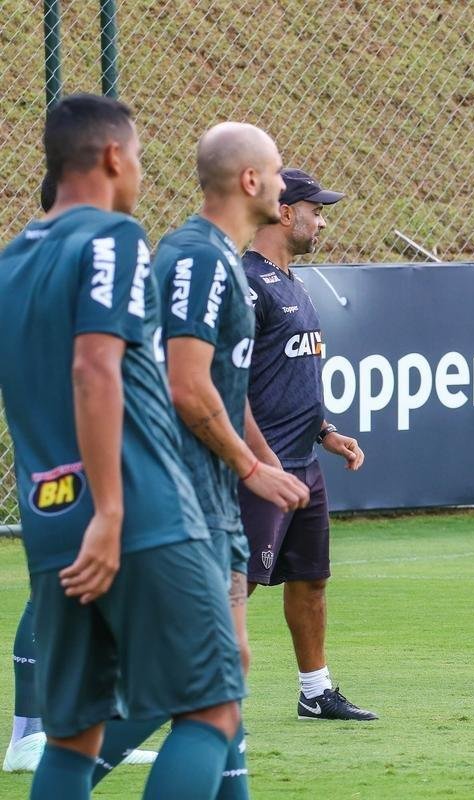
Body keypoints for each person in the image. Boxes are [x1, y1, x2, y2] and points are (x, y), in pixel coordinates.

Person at [0, 93, 244, 799]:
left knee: (73, 736)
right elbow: (93, 366)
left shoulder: (13, 258)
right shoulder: (114, 238)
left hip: (51, 521)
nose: (138, 172)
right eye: (137, 158)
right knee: (211, 707)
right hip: (135, 513)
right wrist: (111, 509)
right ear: (113, 157)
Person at [151, 122, 312, 794]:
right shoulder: (194, 258)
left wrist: (262, 460)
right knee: (207, 689)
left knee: (230, 668)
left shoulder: (225, 261)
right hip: (182, 497)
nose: (283, 185)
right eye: (276, 172)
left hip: (216, 497)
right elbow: (186, 385)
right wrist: (251, 468)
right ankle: (66, 761)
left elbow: (226, 384)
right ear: (251, 182)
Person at [4, 174, 158, 778]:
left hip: (53, 462)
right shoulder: (96, 254)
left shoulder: (22, 261)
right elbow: (97, 370)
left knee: (71, 591)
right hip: (85, 460)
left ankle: (63, 735)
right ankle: (33, 736)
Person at [240, 167, 375, 721]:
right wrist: (261, 462)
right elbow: (227, 382)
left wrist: (326, 432)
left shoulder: (294, 281)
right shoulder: (247, 283)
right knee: (234, 587)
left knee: (311, 578)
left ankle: (315, 691)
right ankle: (188, 694)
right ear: (281, 210)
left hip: (304, 463)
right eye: (313, 209)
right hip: (259, 466)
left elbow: (291, 376)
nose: (320, 219)